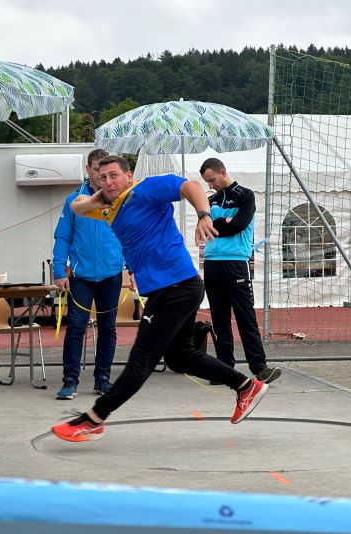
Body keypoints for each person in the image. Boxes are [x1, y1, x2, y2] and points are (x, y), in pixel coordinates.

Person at [51, 155, 269, 443]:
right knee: (181, 358)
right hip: (173, 289)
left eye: (114, 175)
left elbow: (190, 187)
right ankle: (246, 386)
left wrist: (204, 215)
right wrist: (97, 198)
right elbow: (75, 206)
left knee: (140, 360)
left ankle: (93, 420)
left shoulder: (146, 189)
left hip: (175, 287)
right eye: (103, 177)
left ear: (129, 176)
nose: (108, 181)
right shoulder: (109, 208)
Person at [199, 157, 281, 385]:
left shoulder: (246, 195)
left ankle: (260, 368)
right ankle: (224, 369)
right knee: (219, 319)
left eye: (212, 180)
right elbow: (206, 228)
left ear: (223, 172)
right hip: (212, 262)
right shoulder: (211, 200)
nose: (210, 186)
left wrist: (220, 224)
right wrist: (223, 222)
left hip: (235, 262)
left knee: (245, 316)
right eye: (207, 182)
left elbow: (239, 224)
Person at [53, 149, 124, 399]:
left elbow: (130, 234)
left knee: (108, 328)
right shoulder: (75, 200)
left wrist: (134, 267)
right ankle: (70, 381)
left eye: (107, 173)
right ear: (88, 169)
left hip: (111, 274)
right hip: (81, 275)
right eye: (97, 171)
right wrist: (59, 269)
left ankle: (102, 379)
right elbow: (63, 236)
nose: (102, 177)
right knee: (75, 327)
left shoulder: (119, 199)